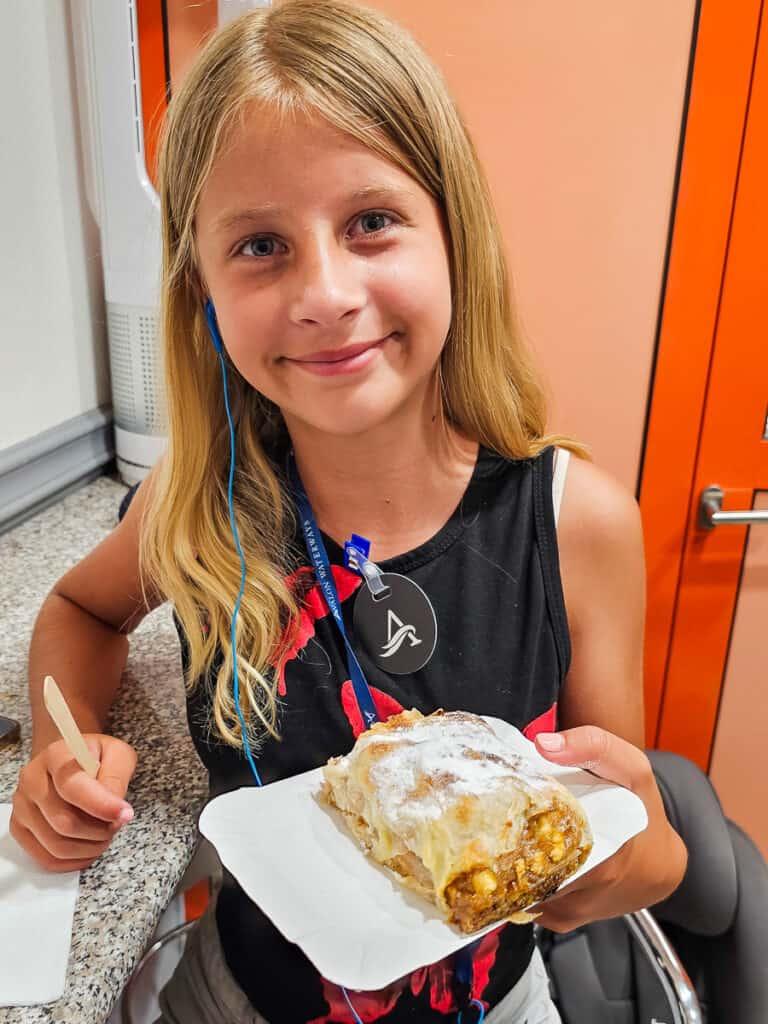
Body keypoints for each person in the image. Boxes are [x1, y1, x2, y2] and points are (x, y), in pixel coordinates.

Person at [9, 2, 687, 1022]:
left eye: (370, 222)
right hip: (239, 996)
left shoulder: (577, 522)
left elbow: (643, 839)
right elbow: (79, 608)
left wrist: (631, 860)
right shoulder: (200, 511)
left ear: (454, 234)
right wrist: (64, 745)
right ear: (200, 287)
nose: (324, 293)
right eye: (261, 245)